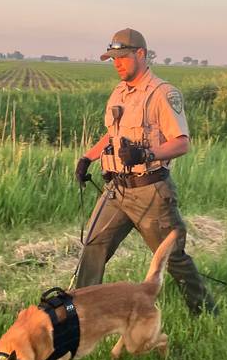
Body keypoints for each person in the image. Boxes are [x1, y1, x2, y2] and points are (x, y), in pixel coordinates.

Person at [73, 28, 217, 315]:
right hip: (117, 190)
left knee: (172, 257)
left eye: (122, 58)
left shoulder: (163, 94)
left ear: (140, 54)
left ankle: (204, 311)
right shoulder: (118, 94)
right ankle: (76, 311)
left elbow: (181, 144)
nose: (117, 64)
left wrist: (147, 153)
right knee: (93, 246)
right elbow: (111, 136)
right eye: (113, 59)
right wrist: (88, 158)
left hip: (150, 190)